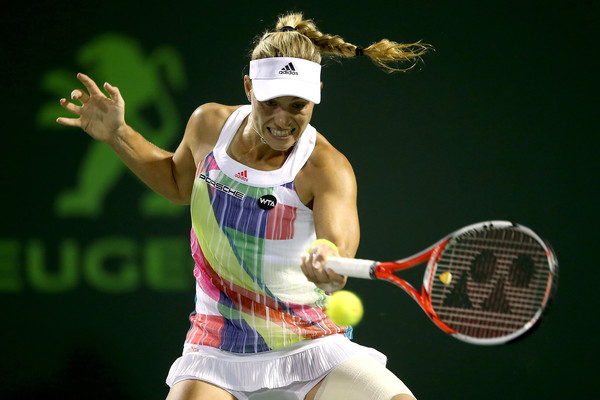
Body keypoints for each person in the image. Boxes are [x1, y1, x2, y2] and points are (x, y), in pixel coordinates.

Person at [57, 12, 428, 400]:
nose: (283, 119)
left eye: (297, 105)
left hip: (312, 348)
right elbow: (176, 184)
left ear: (317, 93)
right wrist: (118, 133)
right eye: (270, 103)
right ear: (249, 86)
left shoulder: (327, 168)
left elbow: (338, 247)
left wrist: (327, 261)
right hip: (216, 351)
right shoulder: (209, 124)